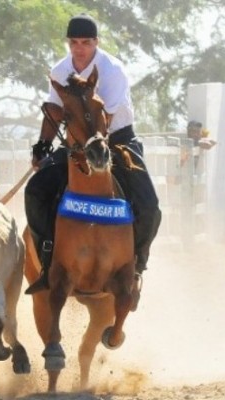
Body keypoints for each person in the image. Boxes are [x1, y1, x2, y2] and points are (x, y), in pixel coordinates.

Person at [24, 14, 162, 311]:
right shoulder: (60, 70)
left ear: (96, 43)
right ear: (69, 43)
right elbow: (55, 110)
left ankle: (136, 265)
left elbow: (105, 118)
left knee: (149, 204)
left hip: (117, 139)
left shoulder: (112, 70)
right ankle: (48, 260)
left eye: (86, 43)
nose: (79, 48)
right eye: (74, 43)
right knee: (35, 191)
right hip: (77, 143)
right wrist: (42, 146)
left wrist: (91, 147)